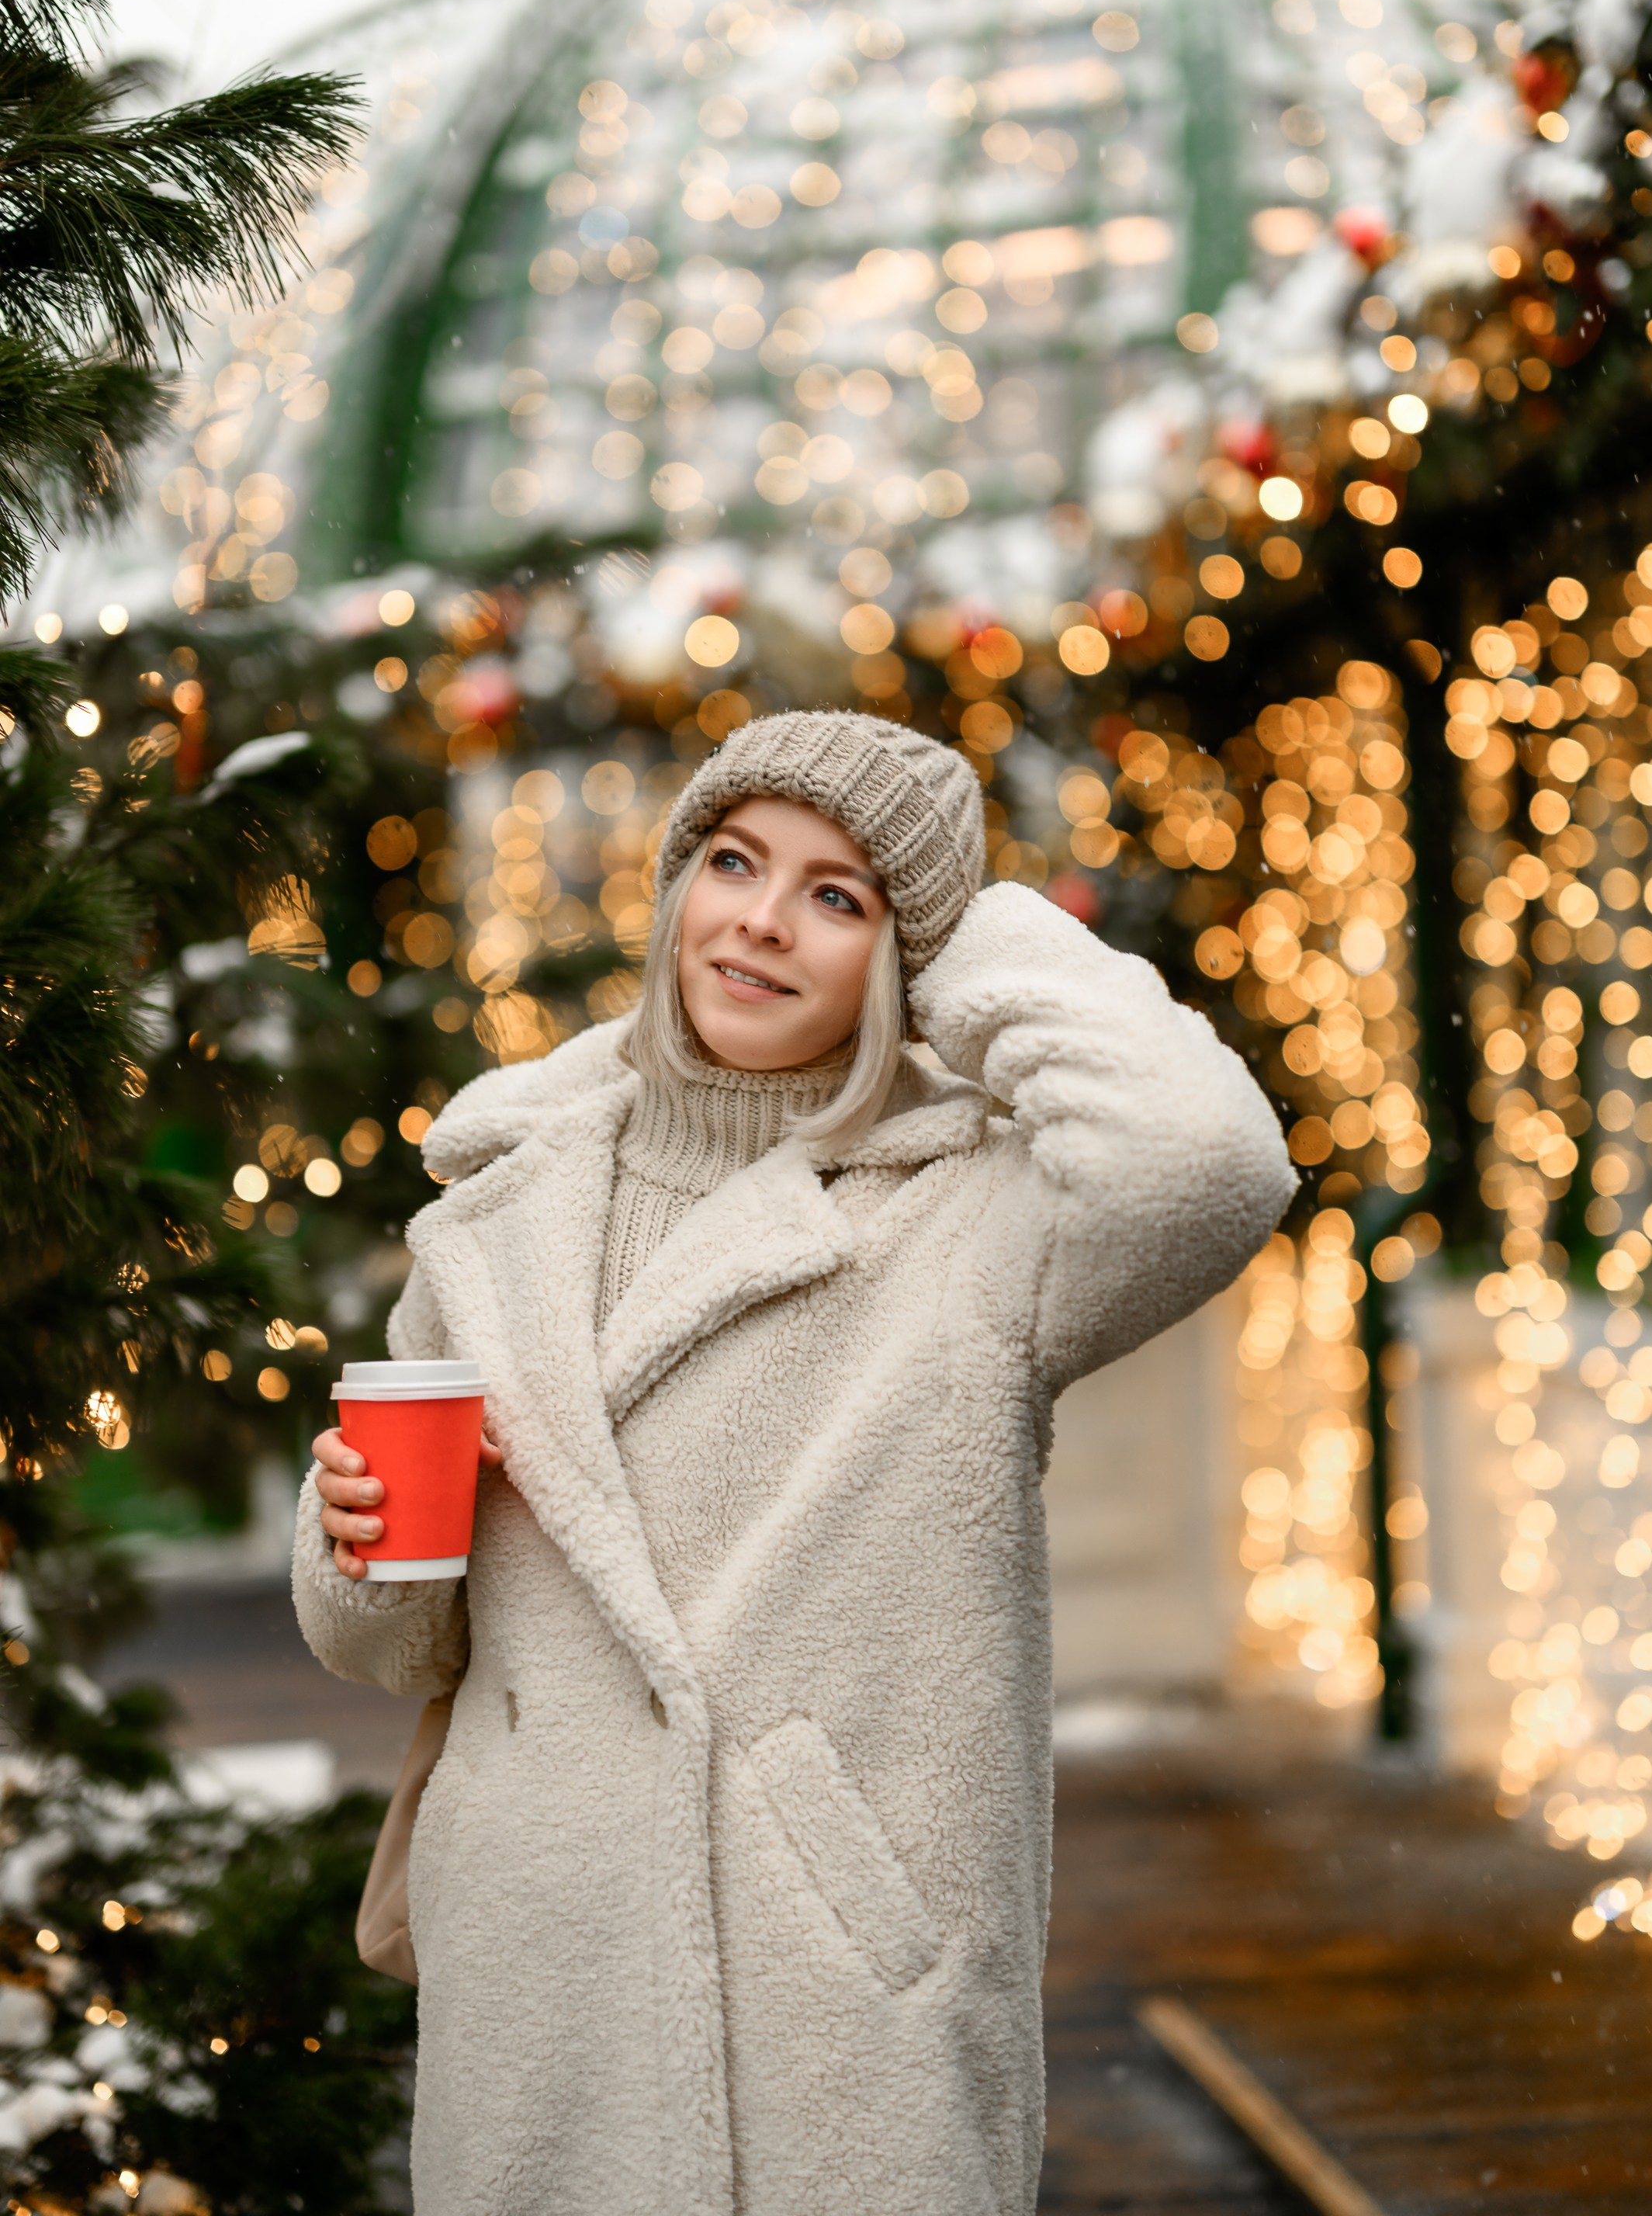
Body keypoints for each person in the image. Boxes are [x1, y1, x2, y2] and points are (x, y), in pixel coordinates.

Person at [295, 709, 1293, 2216]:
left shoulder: (969, 1220)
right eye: (733, 860)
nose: (759, 919)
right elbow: (389, 1640)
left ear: (909, 953)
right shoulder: (499, 1213)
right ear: (676, 882)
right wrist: (354, 1534)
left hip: (826, 1978)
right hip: (539, 1965)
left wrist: (965, 935)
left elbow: (1205, 1160)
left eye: (838, 896)